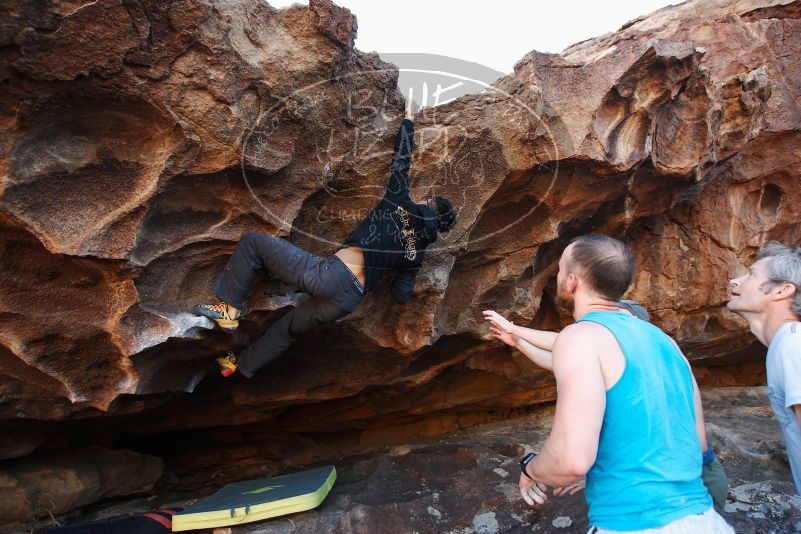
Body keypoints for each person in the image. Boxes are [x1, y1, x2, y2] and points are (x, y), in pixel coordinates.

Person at [193, 100, 456, 377]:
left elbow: (401, 161)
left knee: (252, 242)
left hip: (331, 275)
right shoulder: (417, 255)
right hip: (346, 301)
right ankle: (239, 366)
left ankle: (229, 310)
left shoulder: (400, 201)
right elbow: (401, 295)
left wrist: (409, 120)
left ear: (429, 204)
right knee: (288, 329)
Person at [503, 234, 733, 533]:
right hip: (705, 520)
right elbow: (698, 443)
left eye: (560, 270)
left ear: (572, 281)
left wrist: (530, 467)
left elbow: (571, 460)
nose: (558, 277)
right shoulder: (666, 343)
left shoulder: (581, 336)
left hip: (633, 523)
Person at [483, 301, 729, 514]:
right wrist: (518, 342)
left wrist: (515, 328)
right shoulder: (642, 360)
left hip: (688, 484)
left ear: (631, 320)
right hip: (681, 484)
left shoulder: (643, 347)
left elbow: (570, 344)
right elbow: (560, 360)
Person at [727, 241, 801, 494]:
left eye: (750, 274)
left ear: (781, 291)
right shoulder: (787, 342)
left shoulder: (794, 345)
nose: (735, 281)